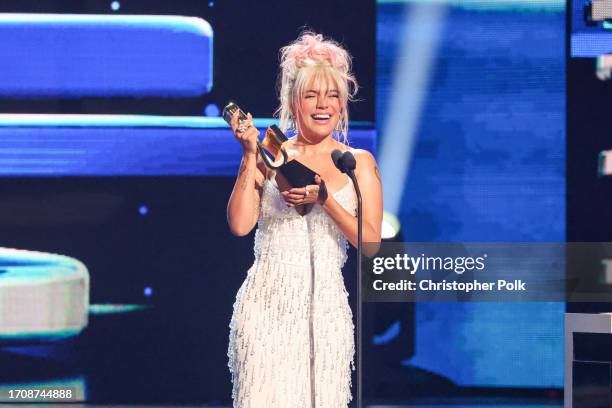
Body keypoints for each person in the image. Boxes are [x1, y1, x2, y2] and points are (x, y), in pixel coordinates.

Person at [226, 31, 382, 407]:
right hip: (266, 309)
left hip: (326, 312)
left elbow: (372, 243)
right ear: (294, 101)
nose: (322, 105)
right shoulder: (271, 152)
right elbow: (240, 225)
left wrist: (326, 199)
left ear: (342, 104)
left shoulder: (356, 162)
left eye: (332, 96)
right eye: (311, 95)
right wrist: (250, 155)